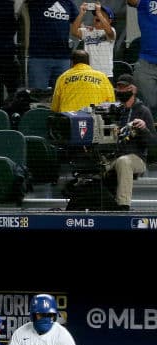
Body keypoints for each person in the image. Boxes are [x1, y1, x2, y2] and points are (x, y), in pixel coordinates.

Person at [104, 74, 153, 210]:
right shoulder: (114, 111)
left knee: (124, 162)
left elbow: (153, 144)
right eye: (119, 87)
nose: (122, 90)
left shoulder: (143, 111)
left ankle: (123, 206)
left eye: (125, 87)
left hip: (136, 158)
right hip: (112, 157)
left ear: (134, 89)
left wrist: (143, 129)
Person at [21, 0, 76, 91]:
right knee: (37, 96)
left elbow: (77, 22)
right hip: (39, 57)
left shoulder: (68, 3)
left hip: (63, 58)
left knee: (63, 95)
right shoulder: (36, 2)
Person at [50, 50, 114, 112]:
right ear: (88, 62)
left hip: (69, 117)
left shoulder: (63, 77)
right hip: (93, 118)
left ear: (72, 62)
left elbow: (56, 102)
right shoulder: (101, 77)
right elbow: (110, 99)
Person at [73, 4, 116, 79]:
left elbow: (109, 32)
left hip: (105, 74)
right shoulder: (88, 31)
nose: (97, 16)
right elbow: (74, 32)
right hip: (89, 73)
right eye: (96, 14)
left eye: (102, 15)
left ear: (109, 20)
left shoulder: (112, 30)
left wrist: (99, 14)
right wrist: (81, 14)